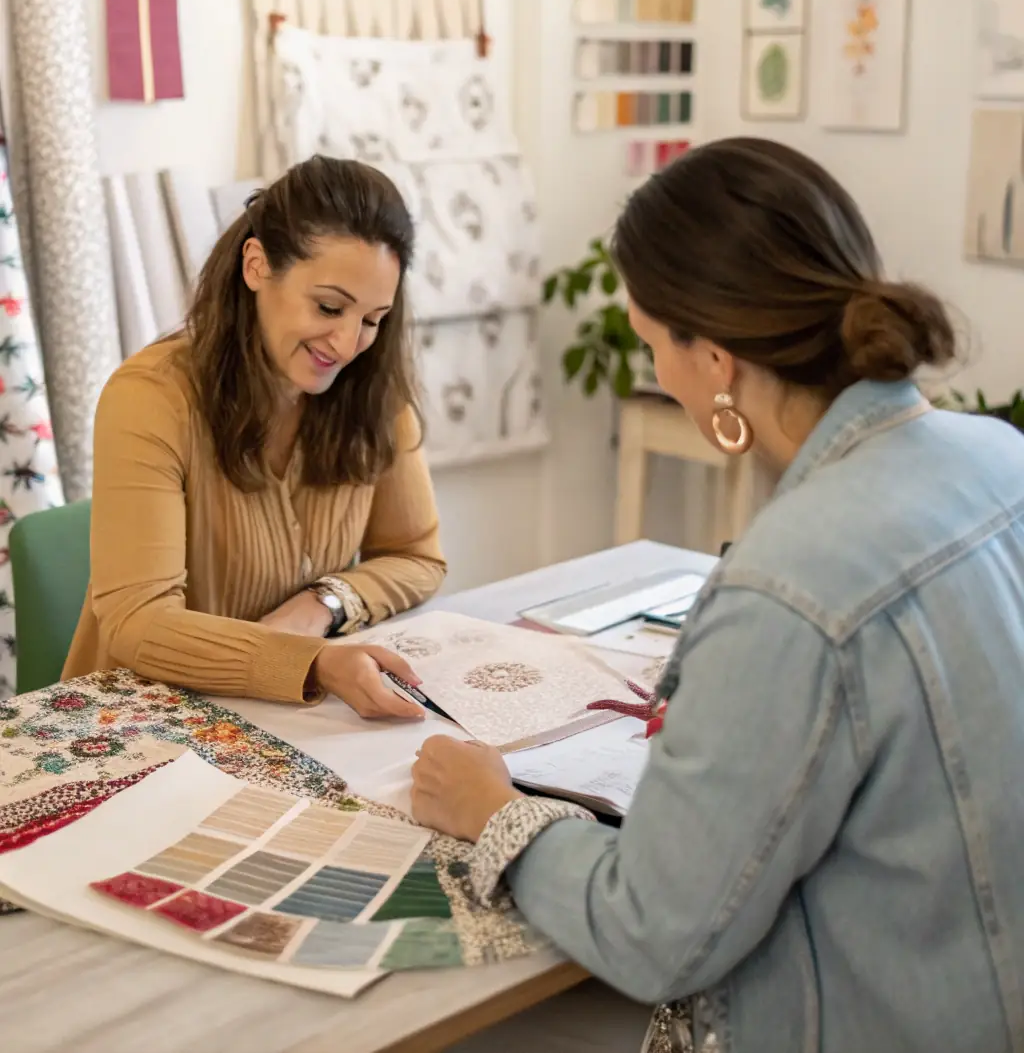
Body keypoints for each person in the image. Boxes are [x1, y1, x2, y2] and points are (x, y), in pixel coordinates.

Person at [411, 137, 1024, 1053]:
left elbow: (655, 931)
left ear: (715, 357)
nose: (658, 372)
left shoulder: (791, 585)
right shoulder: (1000, 456)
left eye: (654, 342)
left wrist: (499, 812)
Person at [64, 156, 443, 716]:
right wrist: (306, 661)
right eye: (329, 307)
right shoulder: (150, 398)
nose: (345, 343)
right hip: (137, 724)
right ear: (257, 265)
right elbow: (138, 623)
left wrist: (324, 605)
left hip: (282, 722)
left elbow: (417, 557)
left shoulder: (371, 393)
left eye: (371, 319)